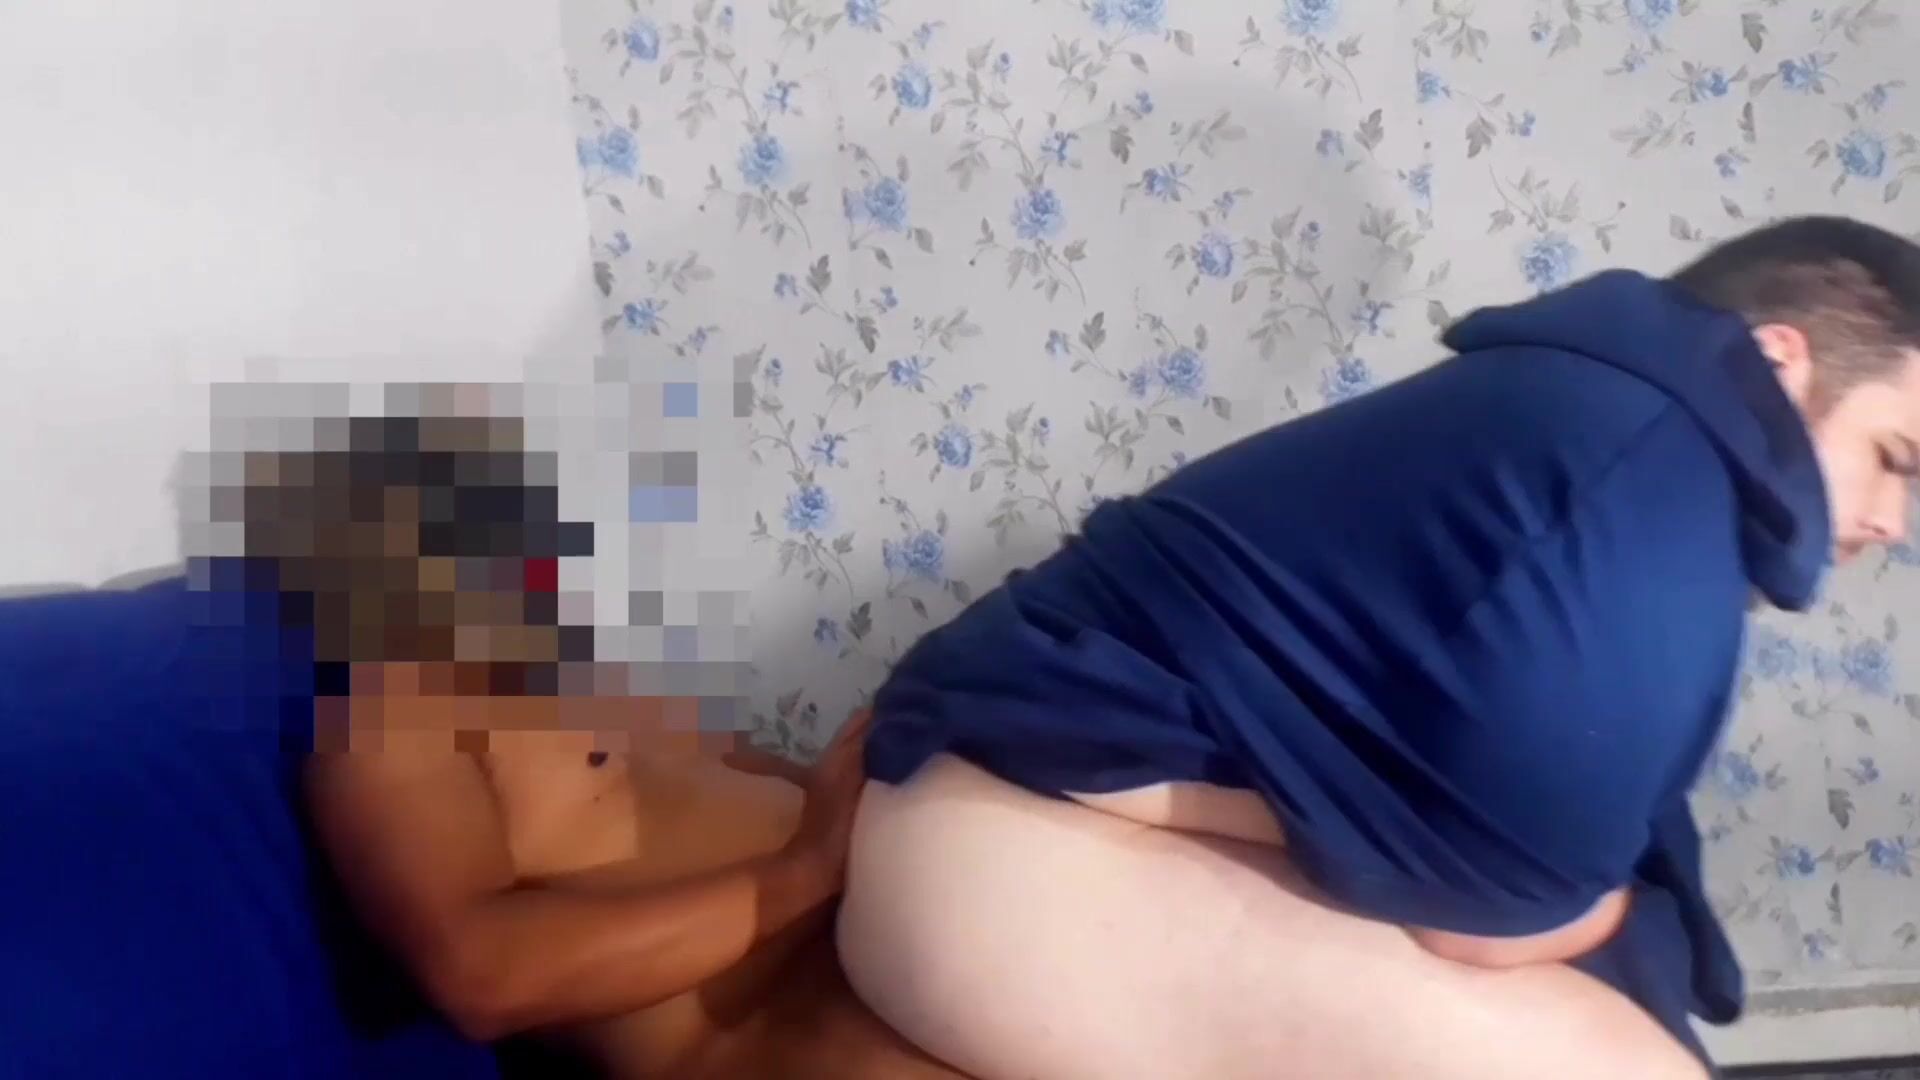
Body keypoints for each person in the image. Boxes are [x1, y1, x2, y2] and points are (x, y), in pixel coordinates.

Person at [838, 215, 1920, 1080]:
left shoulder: (1587, 417)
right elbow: (1501, 920)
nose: (1893, 521)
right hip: (998, 852)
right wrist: (1582, 900)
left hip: (1009, 803)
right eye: (1895, 457)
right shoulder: (1635, 482)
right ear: (1776, 359)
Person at [240, 410, 964, 1079]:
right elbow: (482, 974)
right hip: (794, 1032)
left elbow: (790, 808)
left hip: (900, 938)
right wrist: (806, 873)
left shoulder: (592, 678)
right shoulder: (393, 723)